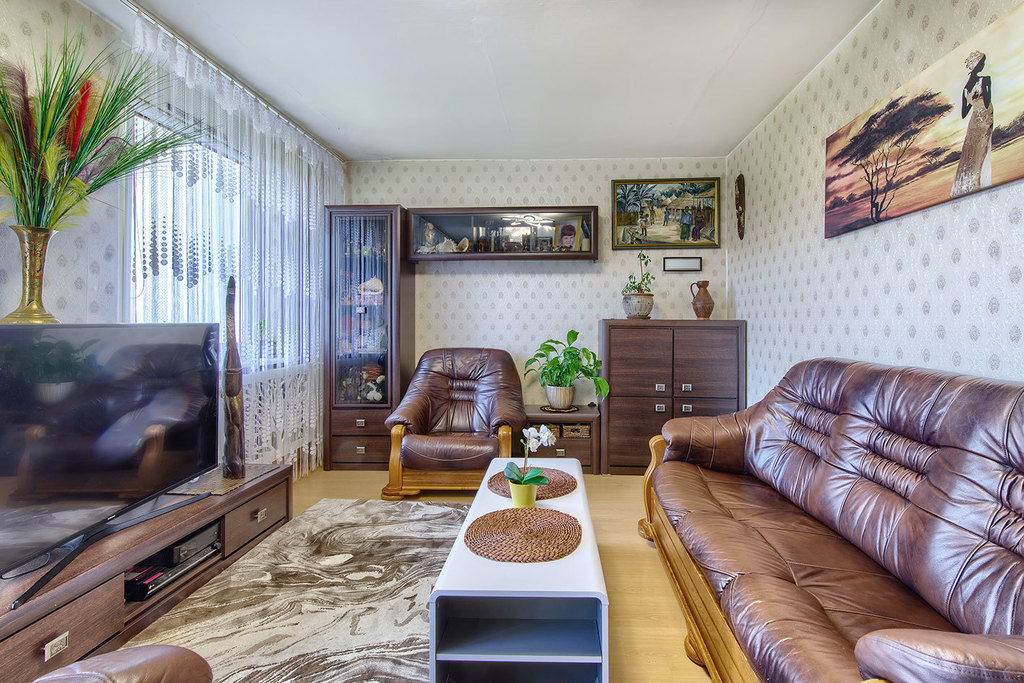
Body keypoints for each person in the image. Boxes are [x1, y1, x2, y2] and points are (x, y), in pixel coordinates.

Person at [951, 50, 993, 198]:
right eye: (982, 63)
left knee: (973, 153)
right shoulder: (985, 80)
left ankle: (973, 184)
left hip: (976, 120)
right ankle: (977, 183)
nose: (983, 65)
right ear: (977, 65)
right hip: (984, 119)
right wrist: (977, 97)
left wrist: (972, 100)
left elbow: (964, 113)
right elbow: (986, 102)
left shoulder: (966, 88)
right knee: (980, 151)